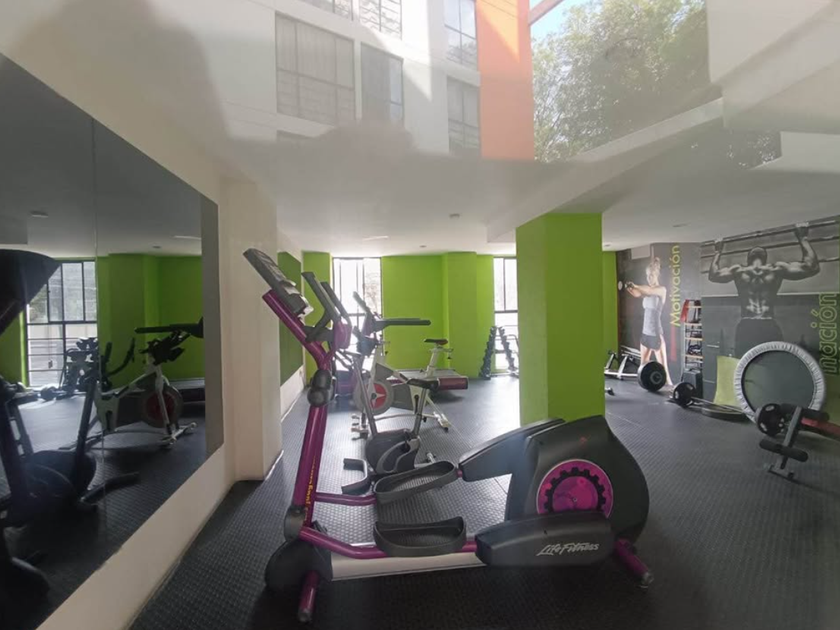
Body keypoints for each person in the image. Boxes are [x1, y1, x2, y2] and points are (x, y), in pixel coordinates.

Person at [708, 222, 820, 356]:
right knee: (771, 361)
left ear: (748, 258)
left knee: (745, 361)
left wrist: (718, 251)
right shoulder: (776, 269)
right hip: (767, 323)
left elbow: (713, 275)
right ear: (765, 258)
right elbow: (811, 267)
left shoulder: (738, 271)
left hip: (747, 325)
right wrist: (803, 238)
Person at [625, 257, 673, 386]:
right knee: (643, 367)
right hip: (645, 334)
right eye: (647, 276)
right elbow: (637, 293)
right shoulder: (646, 293)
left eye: (651, 275)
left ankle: (671, 390)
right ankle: (647, 388)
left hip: (656, 334)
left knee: (664, 371)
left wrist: (635, 285)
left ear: (657, 275)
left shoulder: (661, 290)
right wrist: (630, 288)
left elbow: (649, 290)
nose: (649, 278)